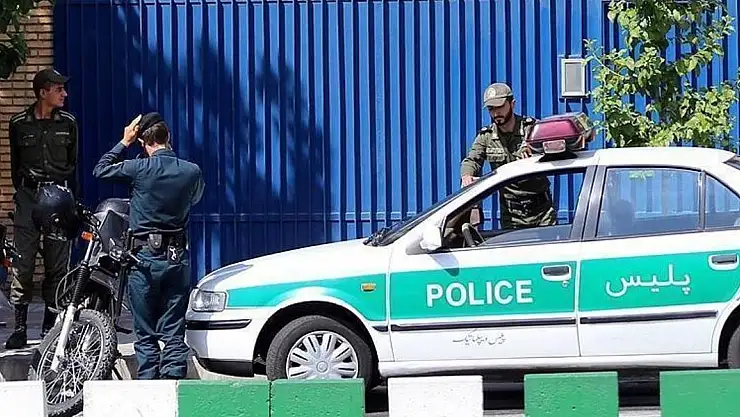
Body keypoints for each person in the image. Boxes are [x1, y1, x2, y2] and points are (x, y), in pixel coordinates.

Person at [93, 112, 204, 379]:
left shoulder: (139, 168)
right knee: (174, 327)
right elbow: (196, 198)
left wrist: (124, 141)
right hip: (176, 257)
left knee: (145, 331)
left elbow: (101, 169)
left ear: (143, 142)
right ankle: (174, 379)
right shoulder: (191, 171)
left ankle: (149, 383)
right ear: (169, 138)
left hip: (143, 258)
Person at [5, 68, 78, 349]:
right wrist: (26, 192)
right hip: (29, 197)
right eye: (59, 89)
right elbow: (15, 165)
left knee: (56, 264)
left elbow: (73, 163)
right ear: (43, 92)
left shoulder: (68, 123)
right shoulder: (19, 123)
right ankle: (20, 328)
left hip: (58, 196)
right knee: (22, 263)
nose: (64, 94)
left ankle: (49, 326)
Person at [460, 82, 556, 230]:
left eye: (500, 107)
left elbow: (551, 152)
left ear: (512, 104)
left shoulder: (532, 129)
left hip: (542, 212)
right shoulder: (487, 136)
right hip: (511, 215)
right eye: (491, 109)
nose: (496, 113)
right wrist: (467, 175)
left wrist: (535, 154)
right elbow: (472, 160)